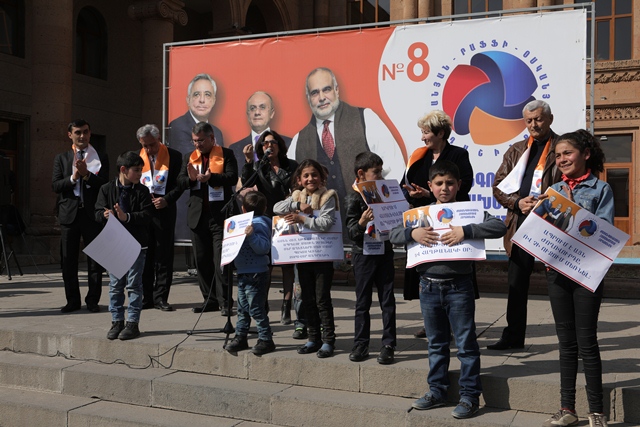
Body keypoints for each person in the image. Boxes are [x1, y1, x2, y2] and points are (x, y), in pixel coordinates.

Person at [390, 161, 507, 420]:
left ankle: (469, 396)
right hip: (428, 286)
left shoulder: (469, 211)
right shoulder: (419, 213)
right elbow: (394, 234)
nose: (445, 188)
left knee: (466, 344)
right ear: (430, 186)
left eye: (450, 183)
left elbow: (499, 227)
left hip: (459, 287)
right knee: (436, 344)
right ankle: (437, 391)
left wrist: (467, 230)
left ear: (459, 185)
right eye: (439, 183)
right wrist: (413, 233)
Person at [540, 130, 613, 427]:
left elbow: (604, 234)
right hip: (557, 274)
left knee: (587, 342)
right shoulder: (553, 189)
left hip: (586, 274)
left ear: (585, 154)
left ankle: (597, 411)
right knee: (566, 343)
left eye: (567, 153)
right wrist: (536, 213)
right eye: (557, 155)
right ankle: (567, 408)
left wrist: (574, 210)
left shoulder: (601, 189)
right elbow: (544, 232)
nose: (562, 159)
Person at [488, 100, 562, 351]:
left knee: (560, 283)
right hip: (520, 222)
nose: (533, 125)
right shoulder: (516, 150)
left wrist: (548, 202)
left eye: (538, 119)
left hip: (553, 223)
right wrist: (517, 202)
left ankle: (569, 341)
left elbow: (571, 184)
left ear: (550, 119)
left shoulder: (562, 148)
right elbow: (498, 187)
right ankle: (513, 337)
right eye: (529, 121)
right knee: (517, 283)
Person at [289, 67, 405, 212]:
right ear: (308, 98)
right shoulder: (298, 140)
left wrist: (384, 207)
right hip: (322, 222)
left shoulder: (366, 118)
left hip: (367, 216)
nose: (321, 97)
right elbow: (293, 188)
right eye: (315, 93)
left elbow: (394, 167)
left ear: (337, 90)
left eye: (326, 89)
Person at [401, 110, 474, 338]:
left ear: (440, 133)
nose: (423, 137)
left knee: (451, 270)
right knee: (426, 270)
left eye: (426, 132)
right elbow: (407, 184)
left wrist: (432, 193)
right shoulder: (419, 156)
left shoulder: (458, 154)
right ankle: (431, 322)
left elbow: (465, 184)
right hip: (424, 220)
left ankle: (455, 324)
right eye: (422, 132)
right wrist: (415, 193)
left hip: (451, 218)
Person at [273, 159, 339, 358]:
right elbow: (276, 208)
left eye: (314, 175)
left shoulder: (328, 196)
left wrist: (301, 218)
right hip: (302, 256)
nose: (311, 179)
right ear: (299, 180)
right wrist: (296, 205)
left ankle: (328, 340)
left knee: (322, 300)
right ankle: (313, 338)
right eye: (306, 176)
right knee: (307, 299)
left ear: (322, 177)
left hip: (322, 257)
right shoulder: (296, 196)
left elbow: (326, 223)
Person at [177, 122, 238, 315]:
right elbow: (180, 181)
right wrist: (191, 179)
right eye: (195, 141)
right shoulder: (189, 157)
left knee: (221, 261)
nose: (198, 144)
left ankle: (225, 302)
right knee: (201, 260)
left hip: (220, 217)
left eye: (201, 140)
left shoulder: (226, 154)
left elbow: (232, 178)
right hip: (198, 217)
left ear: (212, 138)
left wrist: (211, 178)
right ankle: (209, 300)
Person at [241, 130, 298, 326]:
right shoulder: (260, 166)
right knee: (267, 264)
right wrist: (249, 162)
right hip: (267, 219)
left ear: (279, 146)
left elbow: (298, 187)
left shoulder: (291, 166)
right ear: (261, 148)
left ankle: (286, 306)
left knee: (287, 265)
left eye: (273, 142)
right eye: (265, 143)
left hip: (287, 218)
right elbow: (246, 183)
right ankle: (262, 305)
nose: (269, 146)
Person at [52, 119, 109, 313]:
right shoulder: (62, 158)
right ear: (70, 135)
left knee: (95, 260)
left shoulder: (100, 157)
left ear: (90, 133)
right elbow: (55, 185)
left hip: (92, 214)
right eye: (78, 132)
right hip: (69, 215)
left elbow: (105, 185)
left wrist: (87, 175)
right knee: (68, 260)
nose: (82, 136)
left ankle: (93, 300)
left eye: (85, 132)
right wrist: (73, 177)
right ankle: (72, 301)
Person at [95, 151, 153, 340]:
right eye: (136, 170)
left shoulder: (142, 191)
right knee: (115, 285)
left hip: (136, 245)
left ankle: (132, 323)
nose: (140, 174)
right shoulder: (106, 189)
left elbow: (147, 215)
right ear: (123, 169)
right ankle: (117, 321)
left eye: (141, 170)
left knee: (134, 285)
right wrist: (103, 215)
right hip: (115, 245)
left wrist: (126, 217)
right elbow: (96, 212)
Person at [345, 151, 396, 365]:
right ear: (361, 173)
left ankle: (388, 344)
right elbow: (351, 232)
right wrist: (361, 223)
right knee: (363, 301)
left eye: (381, 171)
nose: (380, 176)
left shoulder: (384, 191)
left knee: (387, 300)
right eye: (376, 172)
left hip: (384, 251)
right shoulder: (354, 197)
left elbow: (394, 217)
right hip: (363, 255)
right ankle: (361, 344)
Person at [167, 73, 224, 244]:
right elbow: (195, 162)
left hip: (213, 203)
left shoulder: (217, 131)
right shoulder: (178, 126)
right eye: (196, 94)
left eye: (207, 95)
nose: (202, 100)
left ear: (214, 100)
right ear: (188, 99)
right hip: (190, 204)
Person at [137, 124, 185, 311]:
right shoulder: (137, 156)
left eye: (152, 145)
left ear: (159, 139)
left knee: (163, 256)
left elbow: (180, 185)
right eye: (145, 146)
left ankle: (161, 297)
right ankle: (146, 297)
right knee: (146, 256)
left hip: (164, 210)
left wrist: (167, 200)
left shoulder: (174, 156)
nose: (149, 149)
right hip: (144, 212)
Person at [224, 191, 275, 356]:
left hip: (256, 273)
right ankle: (241, 336)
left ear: (243, 209)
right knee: (242, 308)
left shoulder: (260, 224)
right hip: (243, 272)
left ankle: (266, 339)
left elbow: (263, 248)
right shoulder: (241, 223)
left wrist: (251, 235)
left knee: (256, 309)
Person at [229, 91, 291, 170]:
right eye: (252, 108)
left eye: (262, 107)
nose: (257, 112)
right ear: (248, 114)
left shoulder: (288, 143)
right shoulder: (234, 148)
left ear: (272, 113)